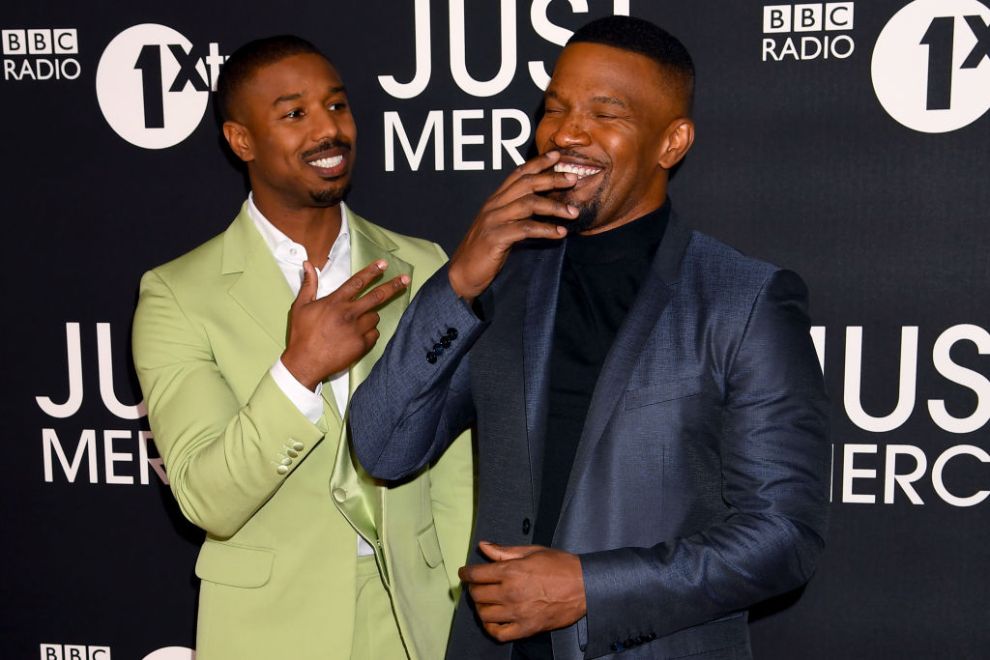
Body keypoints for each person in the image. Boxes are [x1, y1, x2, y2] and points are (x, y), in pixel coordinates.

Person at [349, 16, 829, 660]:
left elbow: (784, 536)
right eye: (556, 108)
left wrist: (590, 588)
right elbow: (383, 448)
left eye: (607, 112)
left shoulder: (744, 300)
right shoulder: (505, 279)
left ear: (672, 142)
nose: (567, 132)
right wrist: (458, 280)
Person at [132, 35, 472, 660]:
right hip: (272, 627)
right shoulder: (178, 294)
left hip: (417, 621)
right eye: (295, 114)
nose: (329, 130)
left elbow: (456, 467)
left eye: (337, 107)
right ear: (241, 141)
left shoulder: (423, 266)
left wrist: (456, 596)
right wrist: (299, 369)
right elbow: (208, 499)